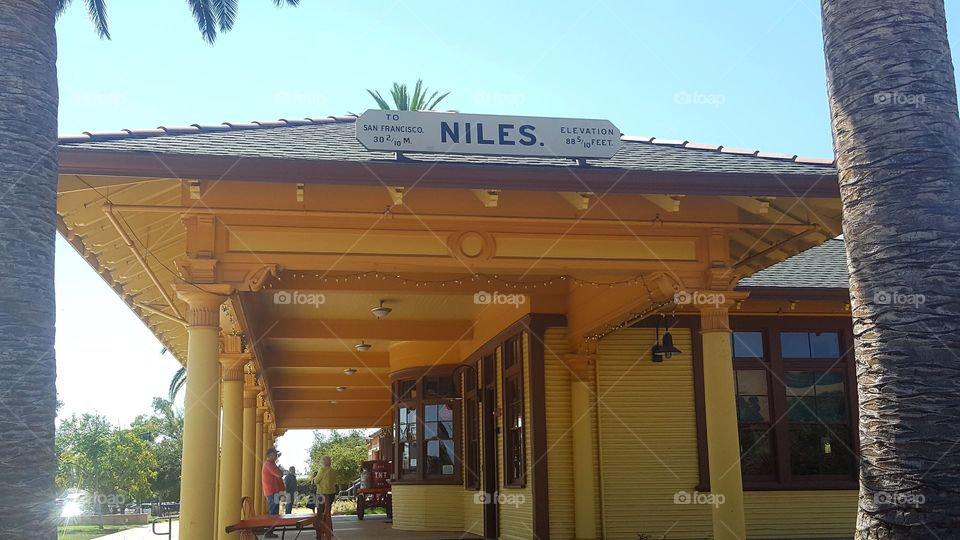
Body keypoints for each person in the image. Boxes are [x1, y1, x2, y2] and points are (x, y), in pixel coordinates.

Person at [260, 447, 285, 539]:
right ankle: (269, 532)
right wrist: (280, 471)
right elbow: (280, 474)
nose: (277, 456)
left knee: (274, 512)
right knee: (273, 513)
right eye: (275, 454)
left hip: (273, 491)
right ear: (270, 455)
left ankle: (270, 531)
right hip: (272, 491)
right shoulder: (269, 464)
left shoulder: (271, 464)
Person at [313, 456, 337, 540]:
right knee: (327, 512)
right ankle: (330, 530)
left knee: (320, 513)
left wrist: (314, 478)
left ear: (323, 462)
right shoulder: (333, 471)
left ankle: (322, 531)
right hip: (331, 493)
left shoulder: (322, 470)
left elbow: (316, 481)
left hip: (322, 493)